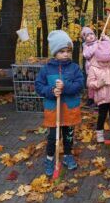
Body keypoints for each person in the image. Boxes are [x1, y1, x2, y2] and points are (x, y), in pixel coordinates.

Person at [35, 30, 84, 176]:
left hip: (69, 108)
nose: (66, 54)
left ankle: (68, 155)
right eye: (62, 51)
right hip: (53, 110)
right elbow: (38, 86)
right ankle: (50, 158)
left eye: (68, 51)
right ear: (55, 52)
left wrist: (65, 87)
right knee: (52, 137)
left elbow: (80, 84)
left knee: (68, 135)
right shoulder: (46, 69)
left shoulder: (74, 68)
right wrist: (51, 91)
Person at [87, 38, 110, 143]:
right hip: (102, 97)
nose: (105, 63)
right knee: (102, 115)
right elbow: (89, 82)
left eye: (107, 61)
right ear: (98, 58)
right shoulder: (93, 67)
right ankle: (99, 134)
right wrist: (98, 84)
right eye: (103, 62)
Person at [81, 27, 98, 106]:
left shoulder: (99, 42)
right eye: (88, 35)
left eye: (91, 34)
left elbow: (109, 46)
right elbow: (87, 55)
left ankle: (97, 99)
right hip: (90, 68)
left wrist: (105, 39)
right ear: (85, 38)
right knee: (90, 84)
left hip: (98, 67)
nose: (90, 36)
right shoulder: (85, 46)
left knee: (98, 83)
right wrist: (95, 48)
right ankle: (91, 98)